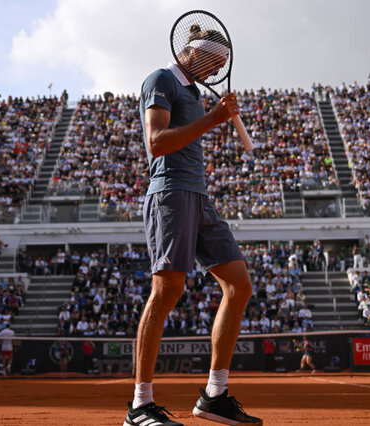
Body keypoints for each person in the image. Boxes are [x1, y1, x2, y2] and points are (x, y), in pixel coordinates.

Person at [124, 24, 261, 426]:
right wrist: (215, 119)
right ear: (194, 53)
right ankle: (140, 405)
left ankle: (214, 396)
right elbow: (157, 143)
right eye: (214, 62)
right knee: (167, 291)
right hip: (169, 194)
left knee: (239, 285)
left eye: (222, 65)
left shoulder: (195, 93)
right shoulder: (161, 79)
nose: (217, 70)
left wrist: (215, 116)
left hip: (199, 197)